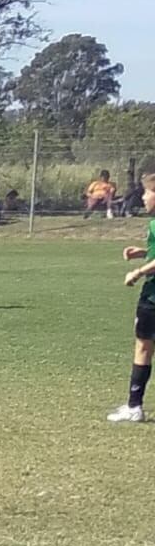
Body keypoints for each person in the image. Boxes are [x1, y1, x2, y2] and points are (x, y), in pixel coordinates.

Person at [107, 174, 155, 422]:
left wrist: (137, 272)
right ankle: (134, 406)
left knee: (143, 347)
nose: (143, 197)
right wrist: (144, 253)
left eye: (147, 193)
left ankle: (134, 407)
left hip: (153, 297)